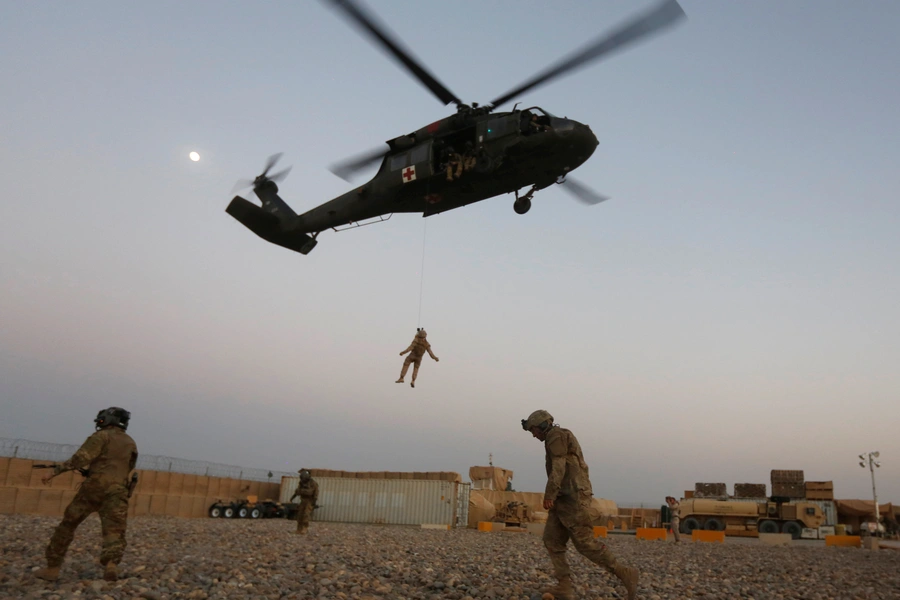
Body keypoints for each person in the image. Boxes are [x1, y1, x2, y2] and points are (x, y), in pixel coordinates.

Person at [522, 410, 638, 600]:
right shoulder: (555, 437)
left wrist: (549, 494)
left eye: (534, 430)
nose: (533, 435)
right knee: (552, 540)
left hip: (572, 498)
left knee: (585, 544)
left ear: (542, 426)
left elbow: (558, 467)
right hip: (562, 497)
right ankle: (564, 586)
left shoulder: (556, 436)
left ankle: (625, 573)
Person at [35, 407, 138, 582]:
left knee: (68, 524)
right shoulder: (130, 443)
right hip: (118, 490)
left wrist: (55, 471)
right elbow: (128, 467)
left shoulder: (101, 437)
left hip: (94, 488)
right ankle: (111, 565)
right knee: (114, 530)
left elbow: (81, 458)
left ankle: (52, 568)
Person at [290, 469, 319, 534]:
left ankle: (305, 528)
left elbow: (315, 493)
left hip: (309, 500)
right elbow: (297, 491)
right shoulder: (301, 483)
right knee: (300, 514)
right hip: (303, 500)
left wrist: (314, 502)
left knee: (306, 514)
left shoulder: (313, 483)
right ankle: (299, 529)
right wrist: (292, 498)